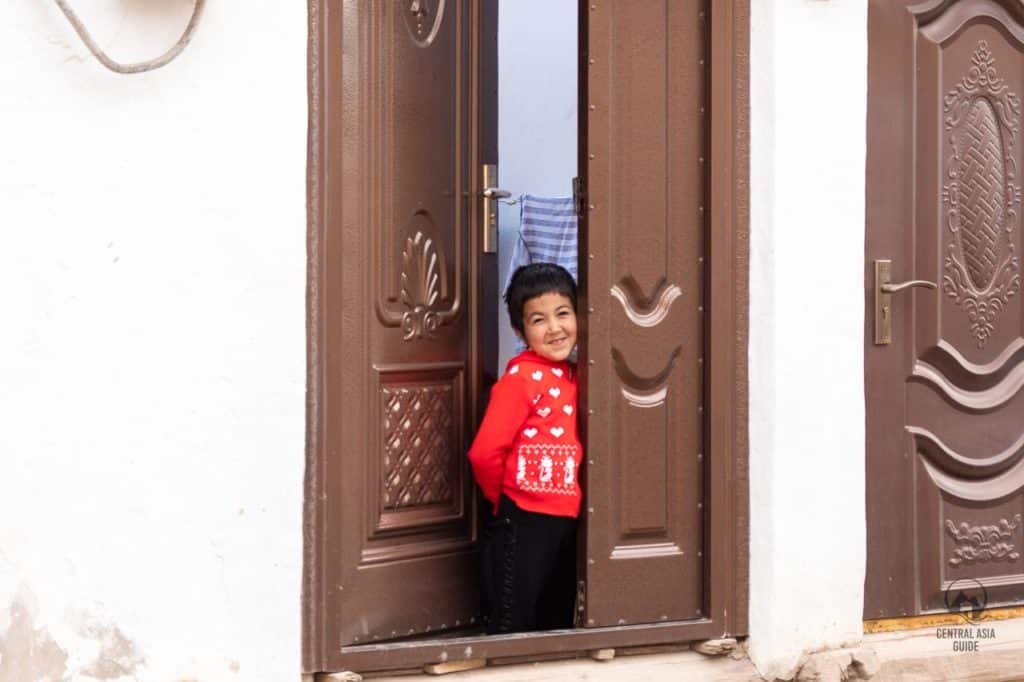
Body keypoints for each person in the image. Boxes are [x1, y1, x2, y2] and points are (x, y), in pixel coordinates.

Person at [468, 262, 582, 634]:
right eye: (539, 320)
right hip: (524, 517)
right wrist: (504, 503)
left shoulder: (578, 374)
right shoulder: (520, 379)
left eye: (563, 313)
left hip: (567, 518)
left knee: (556, 612)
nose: (554, 328)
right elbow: (484, 453)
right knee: (515, 613)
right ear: (520, 331)